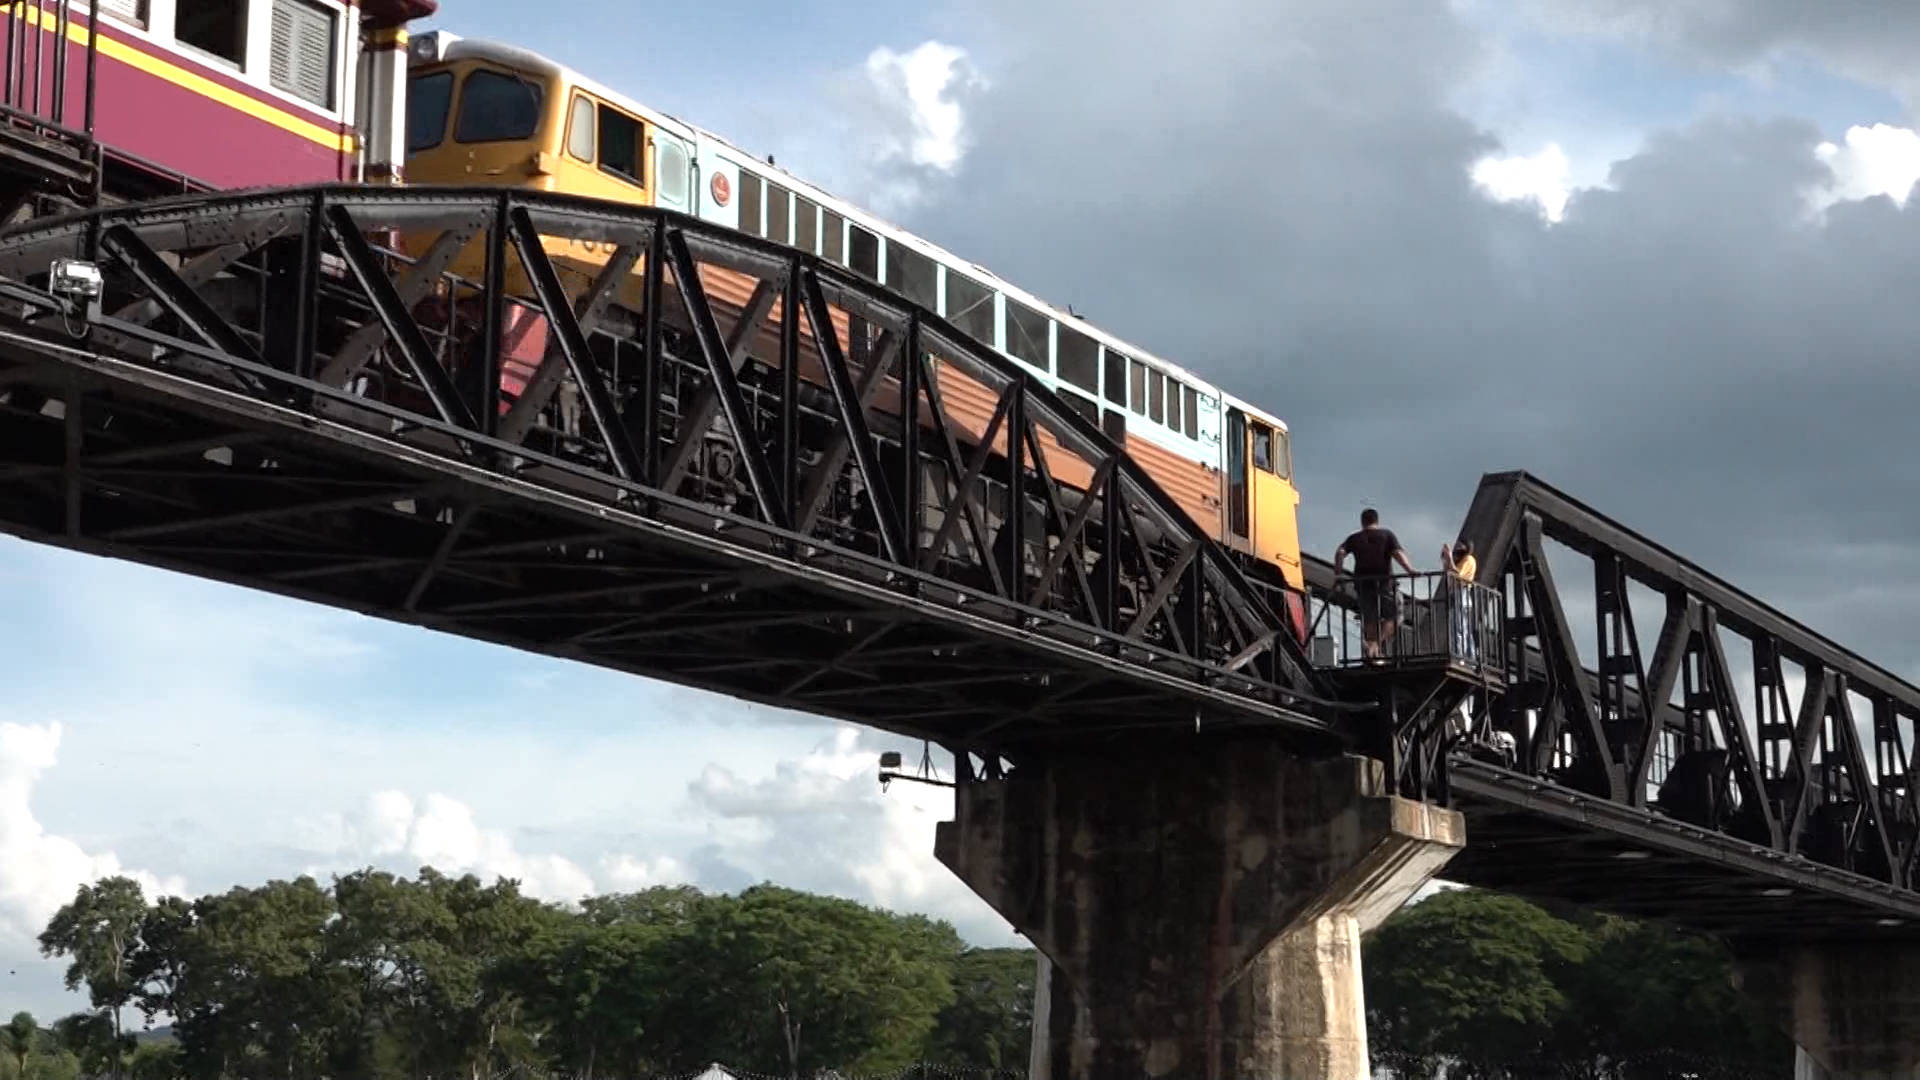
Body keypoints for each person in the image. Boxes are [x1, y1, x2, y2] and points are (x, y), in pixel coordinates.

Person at [1332, 508, 1416, 661]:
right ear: (1377, 521)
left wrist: (1338, 575)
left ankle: (1373, 653)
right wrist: (1410, 570)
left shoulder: (1354, 538)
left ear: (1362, 522)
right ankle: (1376, 644)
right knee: (1396, 615)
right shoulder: (1386, 535)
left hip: (1363, 585)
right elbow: (1398, 554)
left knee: (1370, 618)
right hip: (1384, 584)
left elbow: (1340, 552)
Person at [1442, 539, 1478, 660]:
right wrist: (1446, 560)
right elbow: (1449, 573)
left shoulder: (1468, 559)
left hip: (1462, 593)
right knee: (1463, 628)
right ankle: (1469, 658)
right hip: (1458, 594)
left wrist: (1450, 558)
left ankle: (1460, 657)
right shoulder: (1462, 561)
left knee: (1459, 628)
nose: (1457, 547)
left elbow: (1457, 574)